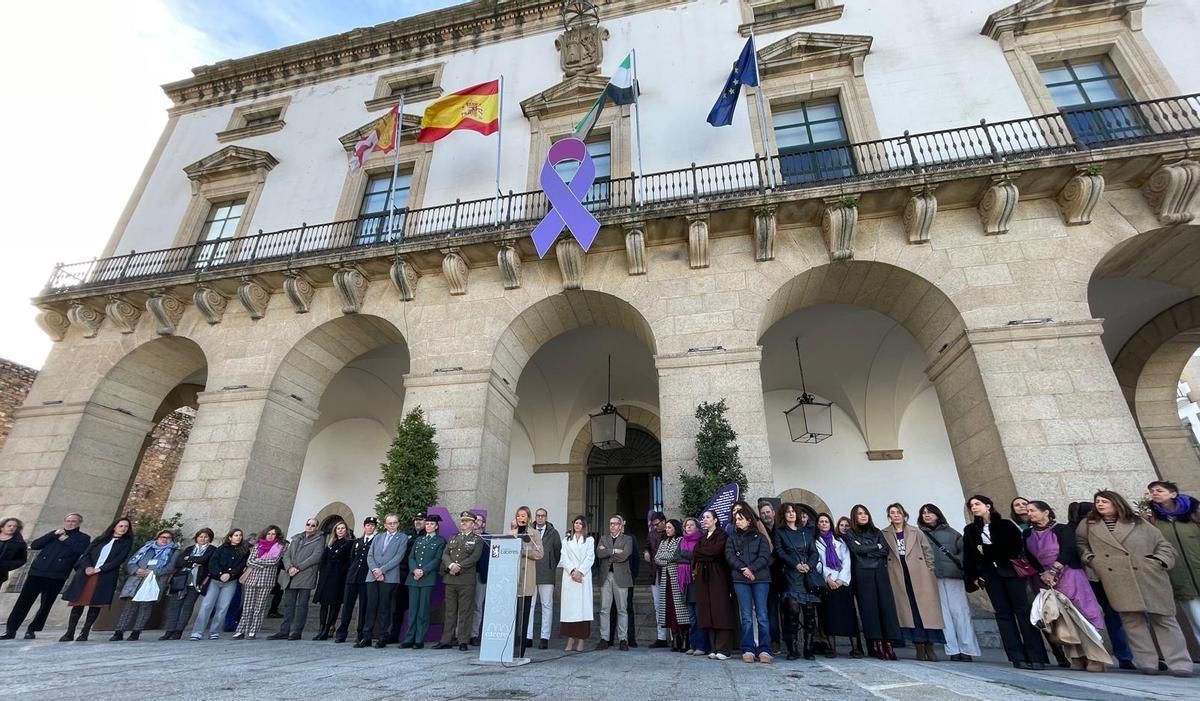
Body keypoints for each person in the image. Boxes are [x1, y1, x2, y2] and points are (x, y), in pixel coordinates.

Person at [1076, 490, 1192, 677]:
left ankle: (1179, 663)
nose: (1100, 504)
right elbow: (1081, 544)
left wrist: (1159, 561)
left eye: (1105, 501)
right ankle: (1147, 662)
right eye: (1097, 501)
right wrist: (1092, 560)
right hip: (1116, 575)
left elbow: (1163, 544)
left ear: (1116, 502)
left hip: (1148, 574)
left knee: (1164, 619)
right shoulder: (1088, 524)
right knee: (1132, 621)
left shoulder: (1138, 522)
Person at [1023, 500, 1109, 671]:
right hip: (1045, 579)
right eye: (1028, 511)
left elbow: (1068, 550)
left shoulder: (1063, 529)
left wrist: (1054, 571)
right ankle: (1077, 656)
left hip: (1069, 575)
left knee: (1082, 614)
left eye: (1033, 510)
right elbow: (1030, 557)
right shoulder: (1027, 534)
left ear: (1046, 512)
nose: (1030, 514)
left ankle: (1095, 657)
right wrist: (1043, 573)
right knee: (1061, 618)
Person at [963, 495, 1043, 669]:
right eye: (971, 506)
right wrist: (973, 577)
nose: (974, 508)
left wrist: (986, 549)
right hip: (991, 576)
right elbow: (971, 556)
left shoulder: (1005, 524)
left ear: (988, 505)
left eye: (977, 504)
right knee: (1003, 614)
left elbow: (1013, 548)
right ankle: (1016, 656)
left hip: (1011, 573)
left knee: (1023, 611)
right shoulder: (970, 530)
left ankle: (1035, 656)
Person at [1067, 501, 1135, 670]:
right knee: (1114, 616)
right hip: (1096, 576)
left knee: (1115, 617)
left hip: (1108, 576)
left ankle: (1126, 655)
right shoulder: (1084, 528)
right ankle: (1124, 656)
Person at [3, 512, 89, 640]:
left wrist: (66, 540)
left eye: (74, 521)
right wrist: (52, 535)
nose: (70, 523)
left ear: (79, 523)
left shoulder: (83, 537)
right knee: (23, 602)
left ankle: (32, 629)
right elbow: (36, 545)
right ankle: (11, 630)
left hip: (57, 575)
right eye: (68, 521)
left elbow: (81, 550)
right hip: (37, 572)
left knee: (45, 605)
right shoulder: (54, 533)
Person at [918, 504, 981, 662]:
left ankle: (967, 648)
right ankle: (952, 649)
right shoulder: (919, 534)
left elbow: (964, 552)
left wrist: (955, 564)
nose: (927, 515)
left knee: (960, 612)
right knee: (943, 615)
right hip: (934, 577)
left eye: (930, 512)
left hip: (953, 576)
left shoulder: (952, 533)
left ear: (937, 515)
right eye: (924, 513)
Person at [883, 503, 945, 661]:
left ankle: (929, 646)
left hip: (919, 575)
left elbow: (927, 551)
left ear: (904, 515)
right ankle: (918, 646)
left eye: (899, 512)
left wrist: (929, 570)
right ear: (889, 516)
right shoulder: (885, 534)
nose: (896, 515)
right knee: (909, 611)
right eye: (892, 513)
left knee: (924, 611)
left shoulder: (916, 531)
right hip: (899, 576)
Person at [57, 517, 132, 642]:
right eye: (121, 526)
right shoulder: (100, 540)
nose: (123, 528)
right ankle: (69, 632)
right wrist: (87, 567)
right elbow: (86, 555)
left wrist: (100, 569)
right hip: (87, 574)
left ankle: (84, 632)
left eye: (126, 527)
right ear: (114, 527)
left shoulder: (126, 543)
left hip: (104, 575)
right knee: (78, 603)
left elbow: (119, 560)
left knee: (95, 605)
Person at [1145, 480, 1200, 647]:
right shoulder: (1153, 519)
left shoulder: (1194, 513)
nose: (1154, 493)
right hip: (1179, 574)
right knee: (1196, 617)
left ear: (1173, 494)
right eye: (1152, 491)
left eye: (1159, 490)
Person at [846, 504, 901, 661]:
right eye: (859, 514)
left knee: (886, 607)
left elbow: (884, 550)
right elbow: (856, 550)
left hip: (880, 572)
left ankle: (888, 643)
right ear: (854, 517)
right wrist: (874, 547)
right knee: (870, 609)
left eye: (865, 513)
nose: (863, 516)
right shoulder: (851, 533)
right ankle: (876, 644)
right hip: (863, 574)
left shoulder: (877, 532)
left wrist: (866, 548)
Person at [773, 503, 821, 660]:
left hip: (807, 575)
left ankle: (808, 648)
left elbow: (814, 552)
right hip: (791, 575)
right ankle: (792, 648)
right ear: (783, 515)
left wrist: (809, 565)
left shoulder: (806, 532)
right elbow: (779, 551)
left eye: (794, 511)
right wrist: (795, 564)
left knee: (809, 615)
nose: (792, 514)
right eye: (788, 512)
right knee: (792, 612)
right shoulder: (780, 532)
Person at [111, 528, 178, 641]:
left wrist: (152, 572)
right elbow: (132, 561)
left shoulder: (174, 552)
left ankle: (136, 632)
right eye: (163, 537)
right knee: (129, 607)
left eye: (168, 538)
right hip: (136, 580)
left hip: (153, 581)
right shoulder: (146, 548)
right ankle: (119, 632)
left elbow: (171, 567)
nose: (165, 540)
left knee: (145, 607)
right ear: (157, 538)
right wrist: (136, 570)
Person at [727, 506, 773, 663]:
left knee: (762, 615)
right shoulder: (732, 537)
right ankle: (748, 648)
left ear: (748, 520)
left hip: (760, 579)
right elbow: (730, 555)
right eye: (736, 519)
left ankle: (765, 649)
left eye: (740, 519)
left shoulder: (760, 537)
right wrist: (743, 569)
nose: (737, 522)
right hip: (741, 580)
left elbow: (765, 556)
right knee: (746, 615)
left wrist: (751, 569)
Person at [815, 512, 862, 658]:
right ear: (818, 524)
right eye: (821, 521)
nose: (824, 524)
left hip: (843, 582)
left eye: (826, 521)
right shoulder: (815, 542)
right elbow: (817, 561)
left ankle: (855, 648)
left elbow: (846, 561)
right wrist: (828, 579)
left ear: (830, 524)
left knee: (849, 615)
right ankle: (832, 648)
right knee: (830, 616)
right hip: (828, 583)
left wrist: (841, 580)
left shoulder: (839, 541)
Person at [269, 518, 324, 640]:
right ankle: (284, 631)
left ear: (316, 527)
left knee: (302, 605)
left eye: (313, 525)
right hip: (291, 575)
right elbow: (286, 555)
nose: (310, 527)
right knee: (289, 605)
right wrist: (289, 568)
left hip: (305, 575)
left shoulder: (320, 539)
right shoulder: (296, 538)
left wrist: (298, 567)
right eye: (308, 524)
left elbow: (316, 556)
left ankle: (296, 632)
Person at [435, 511, 483, 651]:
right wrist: (451, 565)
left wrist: (459, 566)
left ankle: (463, 640)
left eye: (467, 521)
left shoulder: (477, 539)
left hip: (466, 580)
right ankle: (446, 640)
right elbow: (445, 554)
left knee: (465, 611)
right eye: (462, 521)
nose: (464, 523)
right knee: (449, 611)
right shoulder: (453, 537)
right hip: (450, 579)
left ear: (473, 524)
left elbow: (474, 557)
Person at [692, 509, 736, 660]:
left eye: (708, 517)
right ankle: (713, 647)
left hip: (718, 576)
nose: (704, 520)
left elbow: (716, 551)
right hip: (704, 578)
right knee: (708, 611)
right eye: (703, 517)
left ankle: (724, 649)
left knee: (720, 610)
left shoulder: (722, 535)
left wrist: (704, 553)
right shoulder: (703, 537)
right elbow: (695, 552)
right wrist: (705, 553)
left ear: (715, 520)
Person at [359, 513, 407, 648]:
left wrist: (382, 570)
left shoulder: (402, 537)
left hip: (389, 577)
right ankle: (366, 637)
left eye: (394, 523)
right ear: (385, 524)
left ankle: (383, 637)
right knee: (370, 607)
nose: (392, 525)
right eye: (389, 523)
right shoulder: (378, 537)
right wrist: (375, 570)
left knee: (384, 608)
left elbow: (398, 557)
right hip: (372, 576)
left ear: (398, 524)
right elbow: (370, 555)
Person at [191, 528, 248, 640]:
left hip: (230, 582)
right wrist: (220, 574)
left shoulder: (244, 551)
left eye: (240, 535)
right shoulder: (221, 549)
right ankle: (197, 632)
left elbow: (241, 566)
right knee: (206, 605)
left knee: (223, 607)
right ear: (230, 537)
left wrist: (230, 575)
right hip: (215, 580)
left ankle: (214, 631)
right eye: (236, 535)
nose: (238, 537)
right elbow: (213, 563)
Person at [161, 527, 215, 640]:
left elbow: (205, 560)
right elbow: (179, 562)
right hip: (181, 580)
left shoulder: (212, 549)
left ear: (210, 539)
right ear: (196, 537)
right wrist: (194, 562)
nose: (203, 539)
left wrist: (189, 559)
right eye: (200, 536)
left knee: (187, 606)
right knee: (175, 605)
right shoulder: (189, 548)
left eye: (206, 537)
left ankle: (178, 630)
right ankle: (169, 630)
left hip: (196, 582)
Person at [402, 514, 446, 649]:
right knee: (413, 610)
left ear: (436, 526)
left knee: (423, 610)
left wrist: (423, 571)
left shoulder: (440, 541)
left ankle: (419, 639)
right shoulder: (419, 540)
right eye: (427, 524)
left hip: (427, 578)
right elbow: (411, 557)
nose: (429, 526)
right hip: (413, 578)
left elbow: (437, 559)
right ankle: (409, 638)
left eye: (432, 524)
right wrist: (415, 570)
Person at [234, 524, 284, 640]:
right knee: (247, 605)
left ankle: (253, 630)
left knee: (259, 606)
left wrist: (258, 561)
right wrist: (261, 562)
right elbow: (249, 561)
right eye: (269, 534)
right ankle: (241, 630)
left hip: (266, 580)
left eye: (273, 534)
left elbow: (274, 562)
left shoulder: (279, 547)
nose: (270, 536)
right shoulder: (258, 545)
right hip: (252, 578)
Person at [334, 517, 376, 644]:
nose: (370, 527)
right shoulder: (357, 541)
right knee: (347, 605)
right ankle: (342, 633)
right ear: (364, 526)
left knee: (363, 606)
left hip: (365, 578)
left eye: (372, 525)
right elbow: (352, 558)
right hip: (353, 577)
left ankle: (360, 633)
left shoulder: (375, 541)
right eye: (368, 525)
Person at [595, 513, 633, 651]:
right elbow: (599, 554)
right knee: (604, 609)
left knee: (622, 609)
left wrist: (608, 553)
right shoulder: (603, 538)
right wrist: (614, 550)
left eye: (615, 523)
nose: (612, 526)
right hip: (606, 577)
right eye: (610, 523)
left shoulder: (627, 539)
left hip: (621, 577)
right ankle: (604, 638)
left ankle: (623, 639)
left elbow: (625, 555)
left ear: (621, 525)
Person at [653, 518, 692, 652]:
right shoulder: (663, 541)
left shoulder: (681, 540)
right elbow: (657, 558)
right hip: (665, 578)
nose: (667, 529)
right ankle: (676, 637)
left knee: (681, 608)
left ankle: (686, 638)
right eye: (667, 527)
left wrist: (666, 559)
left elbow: (676, 556)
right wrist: (667, 561)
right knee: (669, 608)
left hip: (677, 578)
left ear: (676, 528)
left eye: (669, 527)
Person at [510, 506, 544, 657]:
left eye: (523, 515)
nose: (520, 518)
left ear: (528, 518)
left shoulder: (534, 533)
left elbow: (539, 553)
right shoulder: (510, 533)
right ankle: (508, 647)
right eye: (518, 516)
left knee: (523, 616)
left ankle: (520, 650)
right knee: (511, 616)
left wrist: (524, 552)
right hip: (511, 580)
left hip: (526, 579)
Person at [526, 507, 561, 650]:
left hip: (547, 573)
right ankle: (528, 637)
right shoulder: (528, 531)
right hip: (531, 571)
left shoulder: (553, 533)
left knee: (547, 605)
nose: (540, 518)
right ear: (535, 517)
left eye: (543, 516)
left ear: (546, 517)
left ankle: (544, 637)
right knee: (531, 605)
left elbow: (558, 551)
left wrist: (551, 565)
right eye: (538, 515)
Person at [312, 520, 353, 640]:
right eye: (338, 528)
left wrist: (341, 572)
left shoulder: (349, 543)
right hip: (326, 577)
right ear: (335, 531)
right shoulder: (330, 543)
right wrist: (323, 570)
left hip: (338, 577)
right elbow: (323, 559)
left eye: (342, 528)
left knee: (334, 604)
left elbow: (348, 561)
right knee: (324, 604)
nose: (340, 530)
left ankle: (328, 629)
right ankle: (321, 628)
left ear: (346, 530)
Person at [558, 515, 595, 652]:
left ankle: (581, 641)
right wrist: (573, 571)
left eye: (580, 523)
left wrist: (580, 572)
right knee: (570, 610)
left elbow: (590, 558)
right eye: (575, 523)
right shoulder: (566, 540)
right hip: (570, 578)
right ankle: (570, 640)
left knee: (582, 610)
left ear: (584, 526)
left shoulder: (590, 540)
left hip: (583, 578)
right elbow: (564, 557)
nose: (577, 525)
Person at [676, 517, 709, 656]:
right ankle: (694, 644)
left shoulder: (701, 540)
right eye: (686, 525)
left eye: (691, 525)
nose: (688, 527)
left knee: (699, 615)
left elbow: (698, 556)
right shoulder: (681, 541)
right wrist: (689, 557)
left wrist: (688, 556)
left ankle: (701, 646)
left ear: (697, 527)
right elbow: (677, 556)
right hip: (686, 583)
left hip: (697, 581)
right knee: (691, 617)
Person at [390, 513, 425, 643]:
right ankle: (394, 634)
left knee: (416, 607)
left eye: (421, 519)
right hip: (403, 572)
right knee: (398, 606)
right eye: (416, 519)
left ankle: (413, 636)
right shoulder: (407, 533)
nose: (418, 521)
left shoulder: (427, 535)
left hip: (418, 574)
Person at [759, 500, 783, 654]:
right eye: (763, 513)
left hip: (783, 574)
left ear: (774, 513)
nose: (766, 515)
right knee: (771, 610)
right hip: (768, 575)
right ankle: (774, 641)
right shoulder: (761, 531)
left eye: (768, 512)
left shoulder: (781, 529)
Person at [644, 510, 670, 648]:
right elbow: (647, 546)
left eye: (657, 524)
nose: (655, 527)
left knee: (671, 605)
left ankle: (675, 637)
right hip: (655, 573)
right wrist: (646, 552)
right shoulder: (652, 533)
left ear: (664, 521)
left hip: (668, 572)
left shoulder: (671, 531)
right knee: (658, 606)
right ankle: (661, 637)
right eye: (653, 525)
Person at [470, 513, 488, 647]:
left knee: (477, 606)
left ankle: (474, 634)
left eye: (479, 520)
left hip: (480, 575)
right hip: (465, 575)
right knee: (464, 606)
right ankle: (460, 634)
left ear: (484, 524)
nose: (476, 522)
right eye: (474, 520)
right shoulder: (466, 537)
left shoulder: (488, 539)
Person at [0, 518, 28, 591]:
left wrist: (5, 565)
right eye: (9, 526)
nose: (12, 527)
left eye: (15, 526)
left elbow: (22, 560)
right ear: (2, 527)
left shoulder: (19, 543)